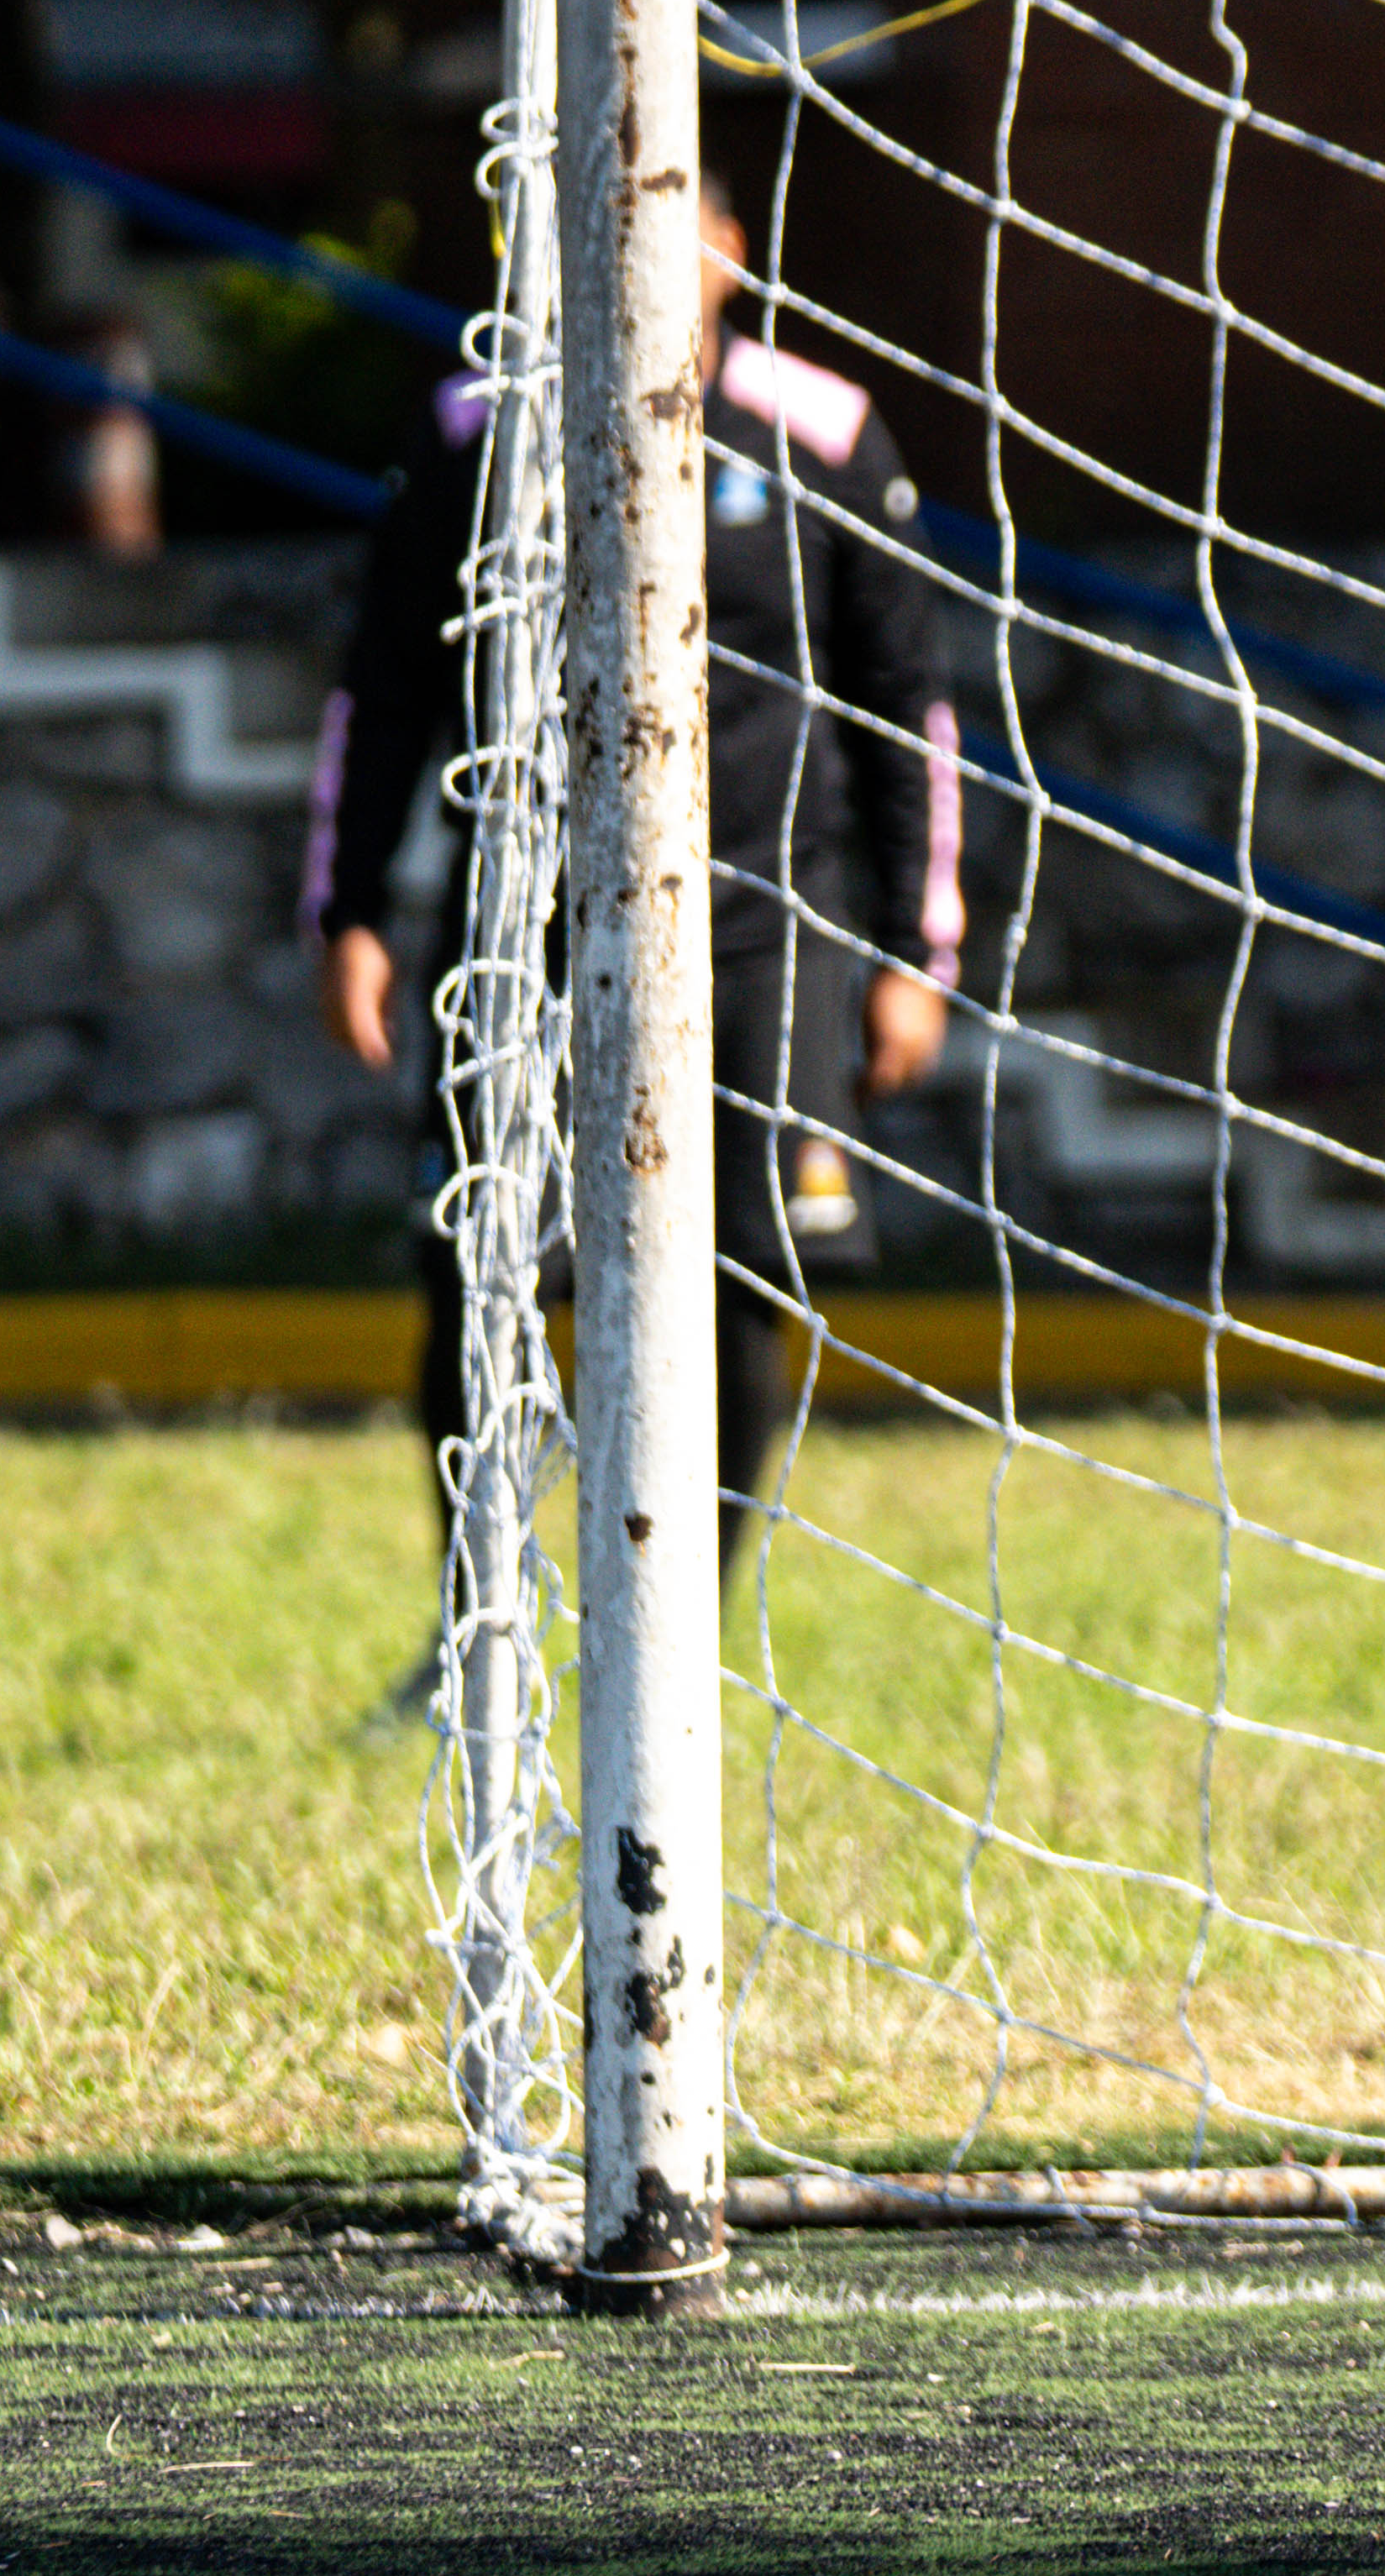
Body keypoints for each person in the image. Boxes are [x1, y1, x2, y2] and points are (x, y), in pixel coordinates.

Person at [305, 169, 966, 1717]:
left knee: (739, 1279)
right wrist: (348, 910)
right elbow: (382, 684)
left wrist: (913, 953)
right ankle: (476, 1631)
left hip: (758, 935)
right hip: (517, 932)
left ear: (734, 260)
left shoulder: (818, 428)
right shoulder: (480, 431)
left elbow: (906, 713)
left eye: (677, 233)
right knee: (477, 1266)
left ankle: (666, 1638)